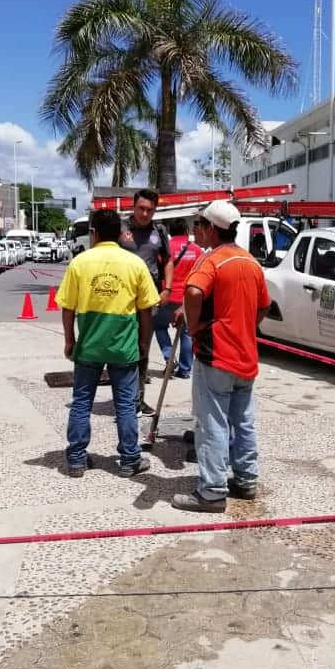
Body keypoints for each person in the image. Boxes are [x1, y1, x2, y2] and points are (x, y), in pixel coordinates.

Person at [172, 200, 271, 513]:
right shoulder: (251, 263)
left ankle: (212, 491)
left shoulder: (211, 260)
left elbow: (193, 292)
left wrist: (195, 325)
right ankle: (246, 480)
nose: (197, 230)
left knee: (212, 423)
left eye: (200, 225)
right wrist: (243, 325)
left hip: (216, 356)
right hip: (246, 357)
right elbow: (265, 306)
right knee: (243, 422)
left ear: (212, 229)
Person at [57, 209, 160, 478]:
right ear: (120, 234)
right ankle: (129, 460)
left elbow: (67, 307)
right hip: (123, 347)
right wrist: (144, 343)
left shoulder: (80, 263)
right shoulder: (134, 263)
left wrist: (70, 340)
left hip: (89, 346)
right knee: (126, 404)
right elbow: (147, 309)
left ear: (94, 233)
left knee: (81, 402)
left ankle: (77, 459)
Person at [118, 188, 172, 416]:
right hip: (122, 300)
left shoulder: (159, 231)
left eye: (150, 209)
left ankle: (137, 399)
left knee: (143, 349)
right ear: (133, 206)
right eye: (141, 208)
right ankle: (123, 399)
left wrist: (167, 288)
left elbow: (168, 260)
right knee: (121, 349)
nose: (145, 213)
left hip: (149, 301)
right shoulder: (120, 229)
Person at [155, 218, 203, 379]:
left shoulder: (166, 249)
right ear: (186, 231)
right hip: (187, 299)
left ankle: (169, 357)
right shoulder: (197, 251)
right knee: (186, 333)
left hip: (167, 296)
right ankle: (185, 369)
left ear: (170, 232)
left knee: (160, 326)